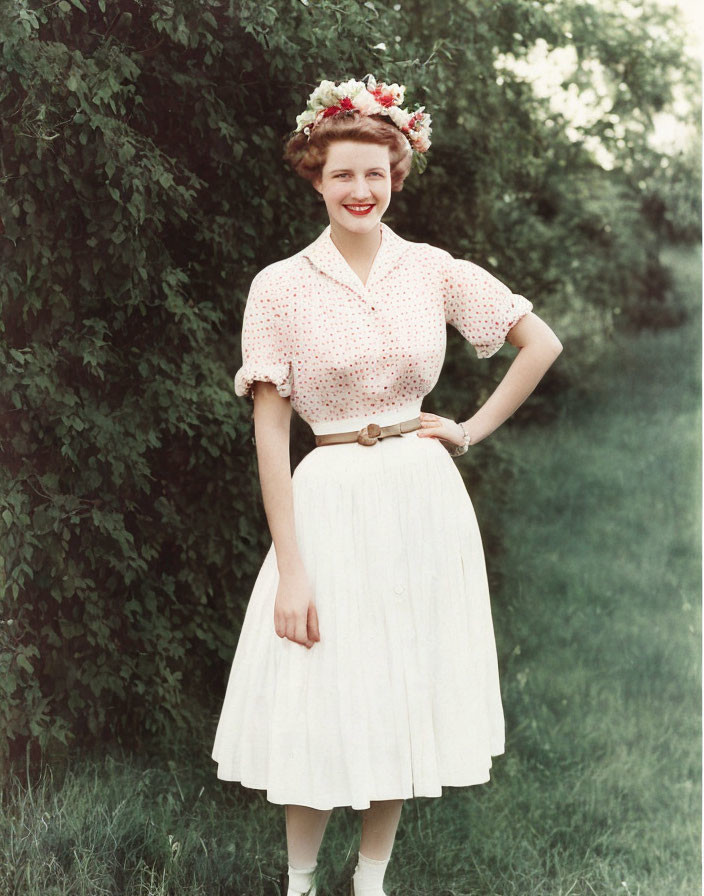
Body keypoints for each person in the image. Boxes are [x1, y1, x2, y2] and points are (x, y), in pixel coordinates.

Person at [211, 75, 563, 896]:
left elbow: (538, 342)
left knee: (404, 674)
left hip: (421, 494)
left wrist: (468, 429)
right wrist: (290, 566)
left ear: (396, 175)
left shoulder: (431, 270)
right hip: (328, 497)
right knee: (319, 683)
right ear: (315, 175)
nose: (359, 190)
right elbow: (270, 431)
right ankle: (300, 882)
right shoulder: (281, 286)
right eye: (342, 174)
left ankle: (371, 879)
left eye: (375, 173)